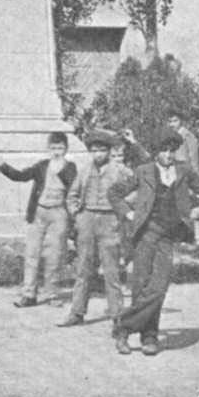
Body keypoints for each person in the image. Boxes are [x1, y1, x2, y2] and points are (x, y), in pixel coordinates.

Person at [108, 130, 199, 357]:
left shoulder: (184, 170)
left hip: (168, 235)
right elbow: (114, 193)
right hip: (145, 234)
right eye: (163, 150)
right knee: (141, 286)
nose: (168, 155)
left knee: (159, 287)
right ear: (156, 151)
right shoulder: (143, 171)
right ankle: (148, 337)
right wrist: (128, 214)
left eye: (171, 150)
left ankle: (122, 326)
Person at [59, 130, 131, 328]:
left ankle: (118, 316)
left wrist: (123, 210)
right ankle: (77, 312)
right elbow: (72, 195)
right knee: (83, 269)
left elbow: (135, 191)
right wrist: (77, 215)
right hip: (87, 219)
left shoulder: (120, 170)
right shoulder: (84, 170)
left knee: (112, 271)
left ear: (109, 151)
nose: (98, 154)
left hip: (110, 220)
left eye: (102, 150)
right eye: (94, 150)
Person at [0, 132, 77, 307]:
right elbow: (21, 176)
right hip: (38, 212)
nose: (57, 152)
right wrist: (2, 165)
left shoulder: (70, 167)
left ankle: (52, 294)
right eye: (53, 148)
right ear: (48, 149)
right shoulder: (41, 166)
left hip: (59, 213)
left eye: (60, 148)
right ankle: (28, 294)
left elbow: (74, 187)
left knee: (55, 255)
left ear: (66, 149)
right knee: (32, 253)